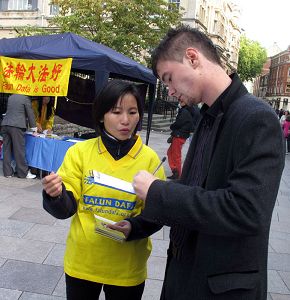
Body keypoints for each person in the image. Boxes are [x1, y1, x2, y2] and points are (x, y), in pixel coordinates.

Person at [130, 25, 285, 300]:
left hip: (221, 288)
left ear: (192, 58)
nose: (170, 91)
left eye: (169, 79)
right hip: (184, 275)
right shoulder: (206, 117)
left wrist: (158, 191)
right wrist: (138, 225)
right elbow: (196, 189)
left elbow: (246, 211)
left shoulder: (256, 118)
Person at [41, 80, 165, 300]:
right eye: (116, 112)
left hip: (127, 268)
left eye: (132, 112)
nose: (125, 120)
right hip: (83, 263)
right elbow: (66, 208)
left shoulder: (149, 159)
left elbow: (158, 212)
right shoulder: (80, 152)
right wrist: (56, 195)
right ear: (100, 116)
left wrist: (134, 227)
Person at [1, 94, 37, 179]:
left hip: (5, 124)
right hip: (16, 126)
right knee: (19, 149)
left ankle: (7, 173)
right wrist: (34, 128)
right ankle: (23, 173)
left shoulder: (11, 97)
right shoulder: (25, 99)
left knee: (6, 150)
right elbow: (30, 113)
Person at [167, 99, 194, 179]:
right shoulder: (186, 111)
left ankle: (177, 173)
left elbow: (179, 123)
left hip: (179, 135)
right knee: (171, 152)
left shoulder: (184, 111)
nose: (180, 102)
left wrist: (172, 126)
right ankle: (175, 171)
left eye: (182, 101)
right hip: (180, 135)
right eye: (179, 101)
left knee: (175, 154)